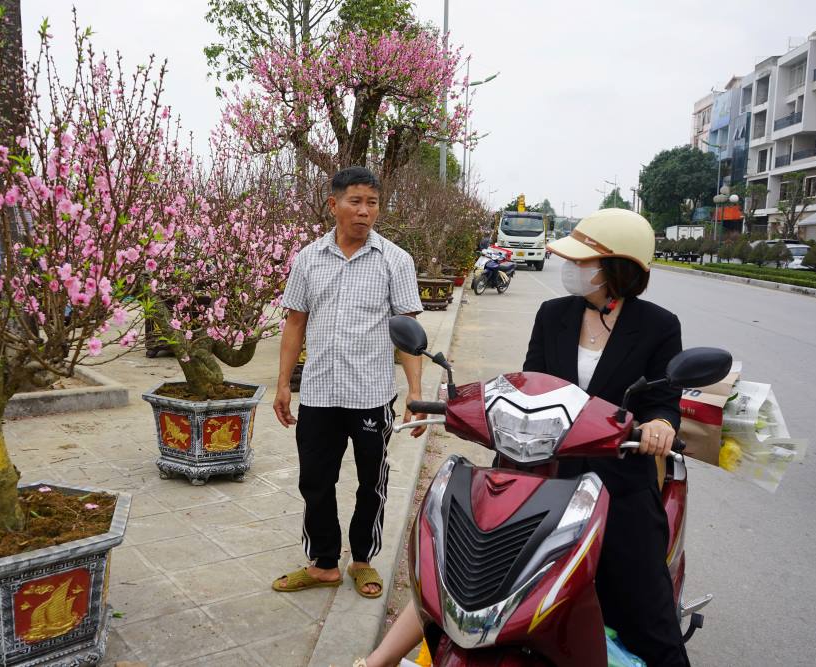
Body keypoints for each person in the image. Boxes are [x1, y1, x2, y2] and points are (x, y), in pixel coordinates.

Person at [361, 208, 689, 667]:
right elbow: (528, 383)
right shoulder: (553, 313)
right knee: (461, 566)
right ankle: (377, 660)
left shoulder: (658, 325)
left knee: (650, 617)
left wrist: (660, 425)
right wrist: (474, 404)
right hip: (538, 470)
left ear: (617, 268)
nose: (573, 270)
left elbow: (663, 399)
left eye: (583, 262)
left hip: (616, 480)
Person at [272, 166, 428, 600]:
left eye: (372, 203)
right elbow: (295, 323)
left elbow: (407, 332)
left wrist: (416, 395)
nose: (364, 211)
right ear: (334, 204)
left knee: (371, 482)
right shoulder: (308, 259)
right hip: (319, 393)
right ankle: (323, 563)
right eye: (355, 201)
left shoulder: (395, 260)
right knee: (315, 481)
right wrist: (283, 384)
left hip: (371, 396)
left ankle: (361, 560)